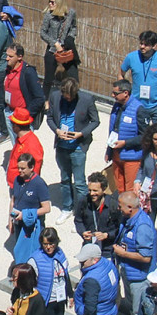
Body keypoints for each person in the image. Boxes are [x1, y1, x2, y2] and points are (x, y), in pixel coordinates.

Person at [48, 76, 100, 223]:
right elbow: (50, 118)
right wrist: (57, 131)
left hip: (78, 146)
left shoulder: (87, 99)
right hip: (61, 146)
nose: (68, 99)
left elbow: (95, 120)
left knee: (79, 182)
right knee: (64, 179)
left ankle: (82, 212)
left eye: (71, 97)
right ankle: (66, 207)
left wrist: (81, 133)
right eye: (66, 96)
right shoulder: (55, 97)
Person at [113, 190, 156, 315]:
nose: (118, 209)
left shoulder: (142, 226)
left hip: (139, 277)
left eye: (120, 206)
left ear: (130, 207)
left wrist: (123, 254)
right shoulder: (127, 220)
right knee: (132, 306)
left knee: (139, 310)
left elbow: (146, 257)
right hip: (128, 272)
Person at [121, 29, 157, 124]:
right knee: (138, 135)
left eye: (146, 45)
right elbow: (121, 74)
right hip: (137, 103)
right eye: (141, 43)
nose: (142, 47)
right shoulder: (131, 57)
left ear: (154, 46)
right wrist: (124, 93)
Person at [105, 80, 147, 193]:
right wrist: (109, 151)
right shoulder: (116, 106)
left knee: (131, 191)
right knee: (119, 189)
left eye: (115, 93)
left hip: (132, 157)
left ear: (126, 93)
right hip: (116, 154)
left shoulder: (139, 109)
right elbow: (113, 129)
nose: (112, 95)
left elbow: (145, 136)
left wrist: (125, 143)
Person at [73, 243, 119, 315]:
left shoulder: (92, 279)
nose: (81, 264)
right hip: (108, 312)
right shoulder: (109, 264)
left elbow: (90, 309)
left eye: (84, 261)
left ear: (95, 260)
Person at [38, 0, 79, 95]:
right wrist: (55, 43)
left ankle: (74, 97)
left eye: (53, 2)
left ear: (60, 4)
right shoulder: (48, 15)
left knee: (74, 77)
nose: (50, 4)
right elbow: (43, 33)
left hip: (67, 49)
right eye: (49, 1)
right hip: (53, 50)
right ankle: (45, 101)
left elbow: (74, 27)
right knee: (48, 79)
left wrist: (70, 37)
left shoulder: (71, 14)